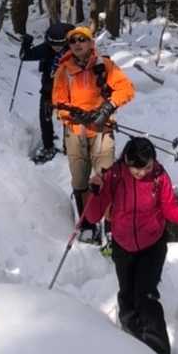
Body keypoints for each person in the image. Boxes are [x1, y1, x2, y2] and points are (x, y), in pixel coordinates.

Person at [81, 134, 178, 354]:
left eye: (147, 167)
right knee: (127, 296)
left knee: (146, 296)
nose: (142, 173)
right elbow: (92, 215)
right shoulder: (114, 176)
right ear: (126, 162)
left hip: (152, 245)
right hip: (123, 245)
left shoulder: (159, 177)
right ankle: (134, 345)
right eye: (136, 169)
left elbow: (169, 208)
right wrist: (95, 191)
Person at [51, 24, 135, 236]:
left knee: (106, 178)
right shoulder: (64, 71)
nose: (77, 44)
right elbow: (58, 103)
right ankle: (88, 224)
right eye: (73, 40)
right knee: (80, 180)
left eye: (82, 39)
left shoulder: (105, 65)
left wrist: (108, 108)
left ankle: (110, 226)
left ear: (91, 43)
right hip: (75, 131)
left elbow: (126, 89)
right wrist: (76, 115)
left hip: (102, 130)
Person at [20, 19, 74, 162]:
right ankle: (48, 146)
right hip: (48, 89)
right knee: (45, 117)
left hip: (69, 90)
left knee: (69, 118)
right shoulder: (46, 48)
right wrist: (26, 43)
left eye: (60, 45)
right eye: (53, 45)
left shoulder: (74, 48)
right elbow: (25, 56)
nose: (56, 48)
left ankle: (69, 148)